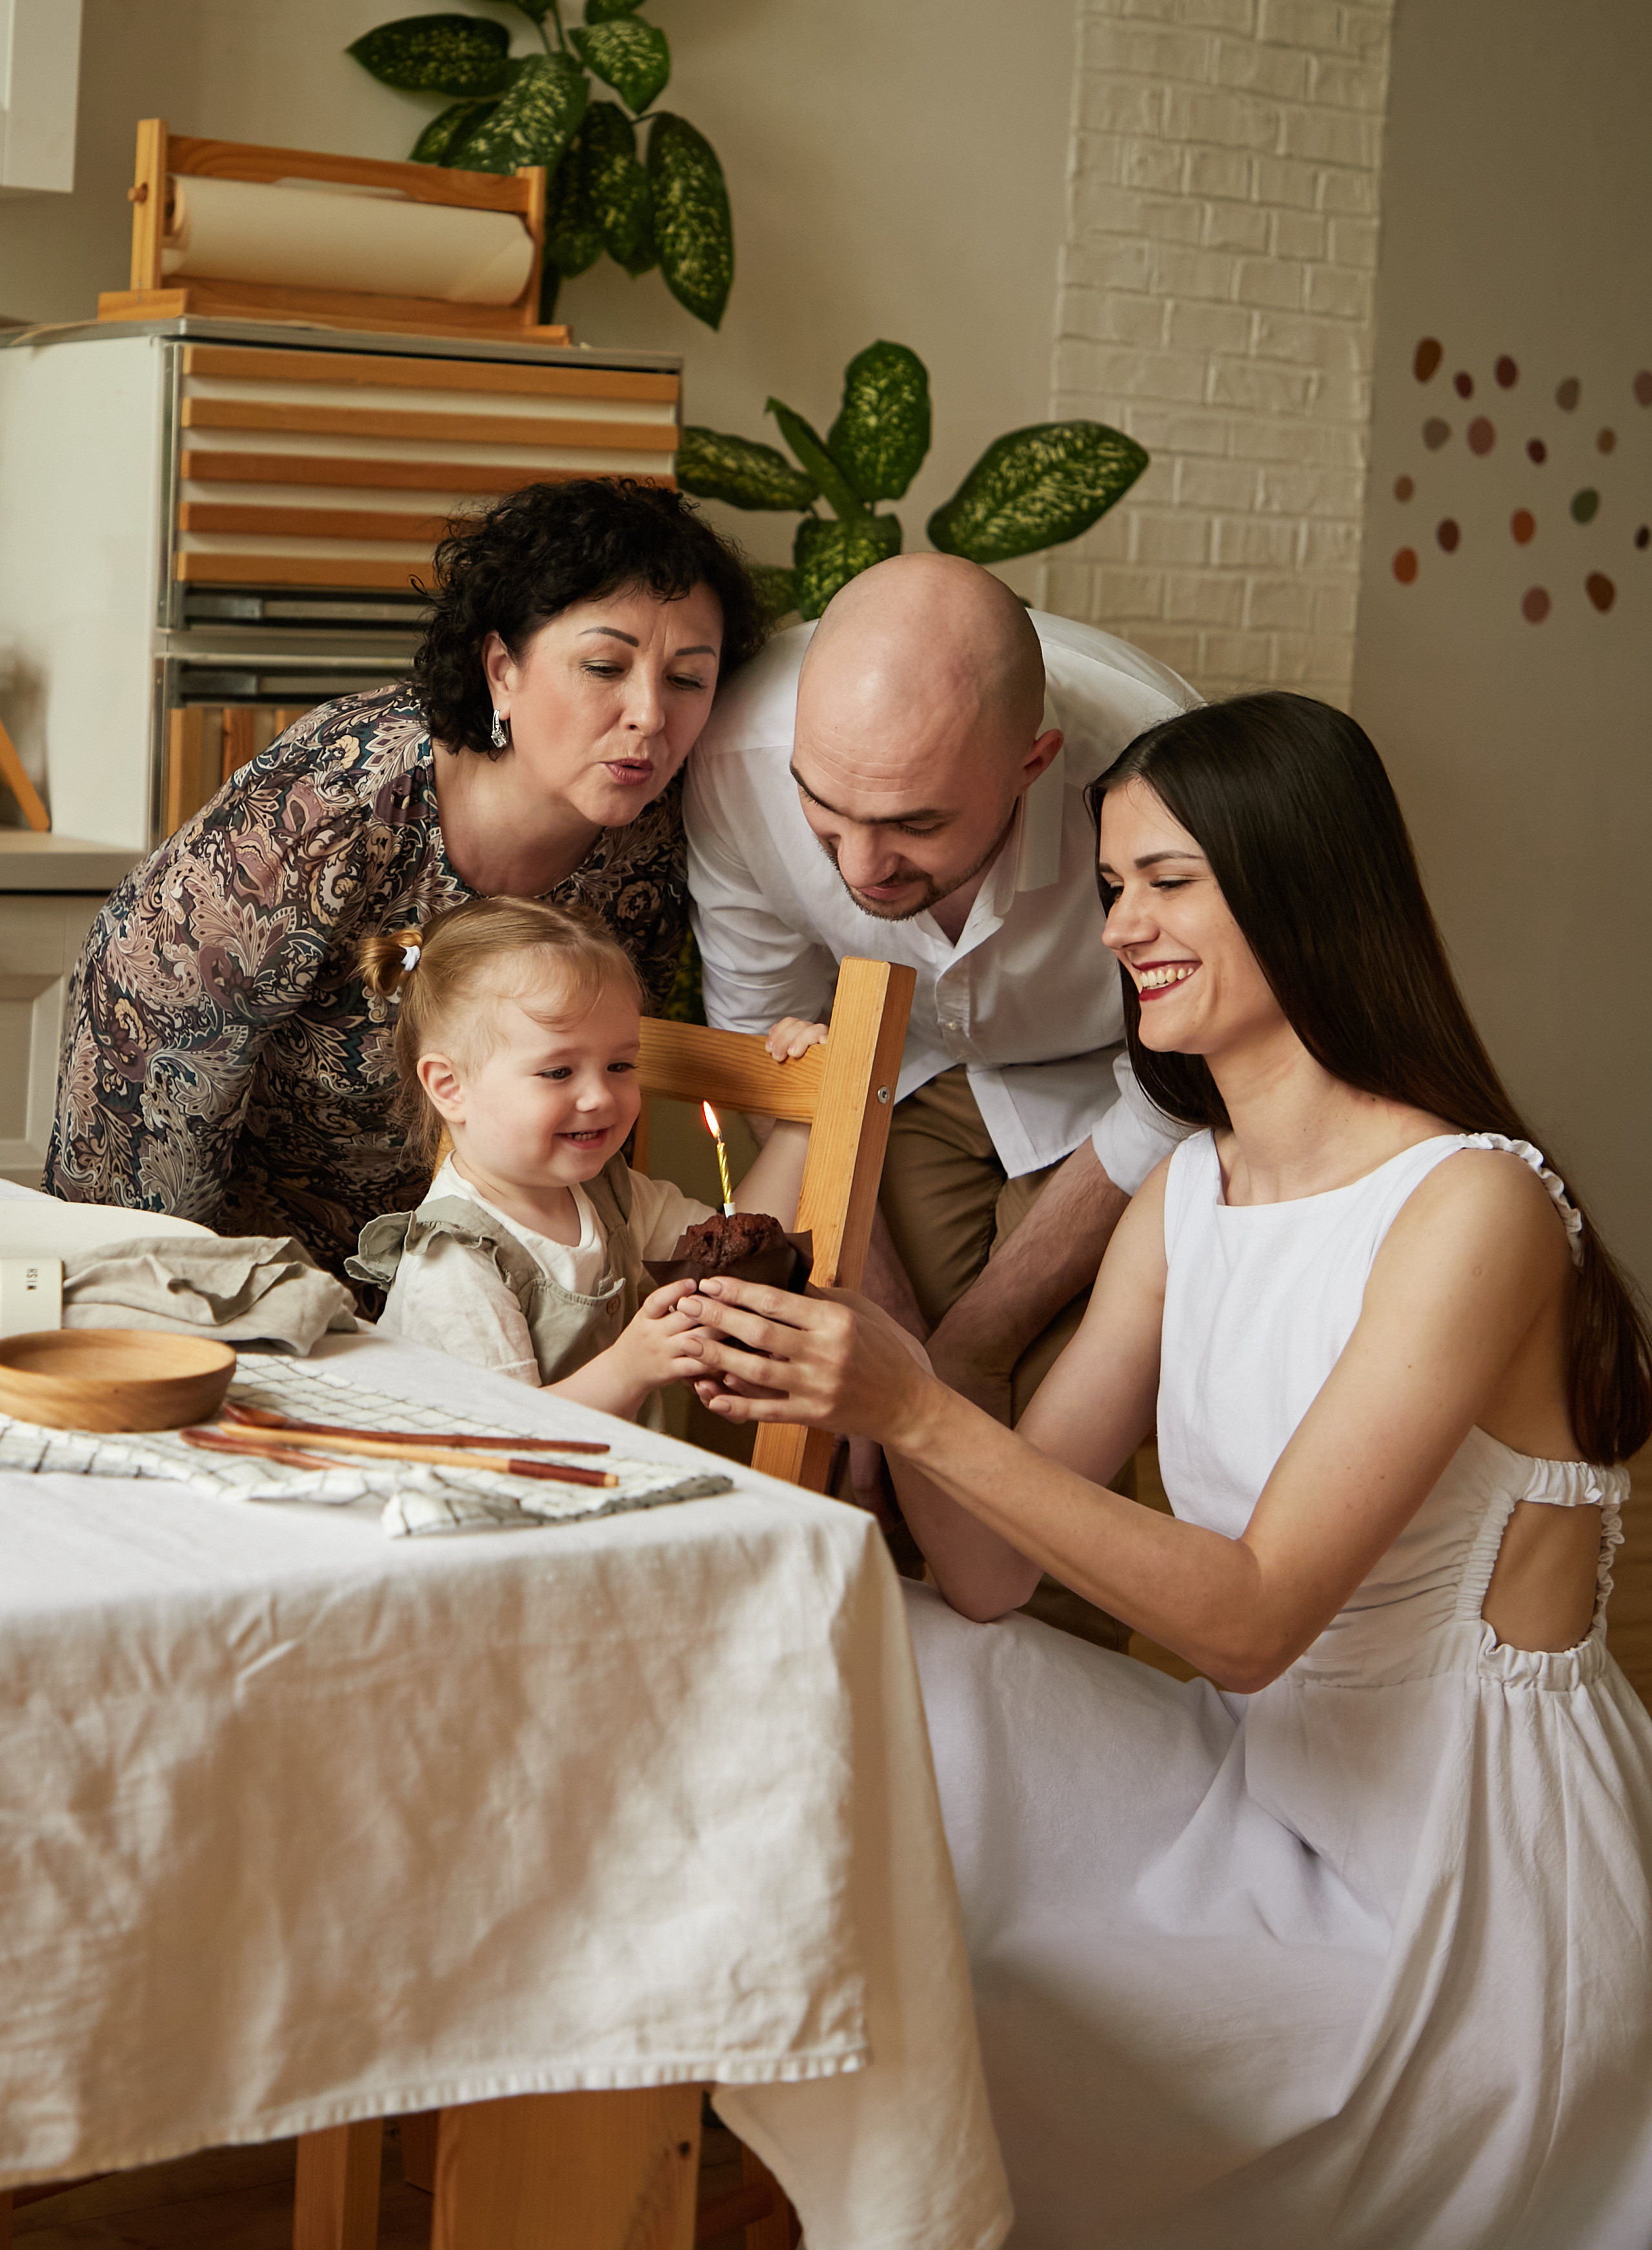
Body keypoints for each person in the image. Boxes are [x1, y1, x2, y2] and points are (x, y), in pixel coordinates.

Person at [680, 691, 1652, 2247]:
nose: (1126, 924)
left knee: (1023, 1982)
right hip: (1265, 1783)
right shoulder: (1185, 1194)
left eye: (1169, 882)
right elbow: (991, 1573)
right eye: (1116, 884)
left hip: (1466, 1880)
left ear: (1300, 887)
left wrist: (919, 1413)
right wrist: (857, 1285)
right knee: (895, 1652)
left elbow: (1251, 1616)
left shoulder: (1470, 1208)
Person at [45, 478, 764, 1278]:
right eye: (604, 666)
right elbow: (158, 1060)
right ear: (502, 670)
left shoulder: (661, 838)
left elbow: (596, 1087)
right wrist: (175, 1296)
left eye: (687, 679)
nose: (650, 716)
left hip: (461, 1264)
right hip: (232, 1228)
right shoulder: (338, 802)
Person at [686, 552, 1194, 1612]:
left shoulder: (1160, 768)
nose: (863, 866)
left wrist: (973, 1343)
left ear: (1035, 762)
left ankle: (1067, 1743)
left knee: (1054, 1460)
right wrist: (896, 1364)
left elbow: (1192, 1073)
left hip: (1122, 1082)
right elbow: (775, 1054)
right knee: (857, 1455)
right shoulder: (737, 754)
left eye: (916, 825)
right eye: (825, 812)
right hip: (894, 1070)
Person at [346, 898, 810, 1416]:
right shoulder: (457, 1260)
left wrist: (803, 1123)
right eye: (559, 1072)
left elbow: (744, 1263)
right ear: (450, 1086)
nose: (601, 1097)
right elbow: (503, 1435)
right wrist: (627, 1371)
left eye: (619, 1064)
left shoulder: (608, 1193)